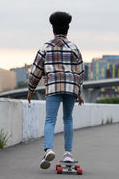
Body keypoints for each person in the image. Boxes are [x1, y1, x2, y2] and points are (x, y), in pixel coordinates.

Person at [27, 11, 84, 169]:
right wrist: (79, 93)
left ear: (53, 29)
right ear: (67, 29)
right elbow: (80, 72)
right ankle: (68, 153)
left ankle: (48, 149)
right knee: (68, 119)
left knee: (50, 120)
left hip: (52, 86)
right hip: (71, 87)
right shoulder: (74, 47)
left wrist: (31, 89)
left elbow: (36, 70)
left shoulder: (45, 47)